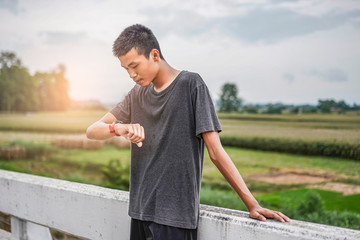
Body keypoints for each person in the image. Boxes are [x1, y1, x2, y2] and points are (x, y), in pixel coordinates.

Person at [86, 24, 290, 240]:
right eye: (126, 69)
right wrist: (119, 127)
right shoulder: (136, 94)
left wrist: (252, 204)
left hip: (174, 219)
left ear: (154, 55)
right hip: (139, 214)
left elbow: (215, 151)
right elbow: (92, 131)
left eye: (134, 66)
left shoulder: (191, 85)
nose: (131, 75)